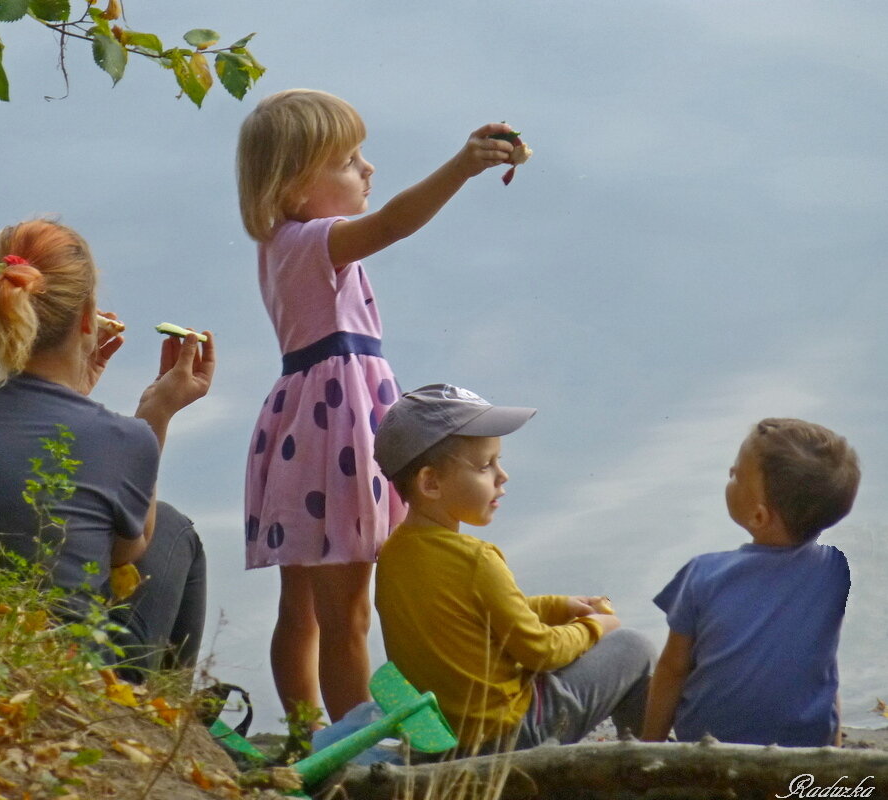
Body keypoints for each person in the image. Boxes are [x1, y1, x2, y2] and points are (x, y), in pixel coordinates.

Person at [236, 89, 520, 724]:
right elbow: (392, 222)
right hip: (334, 428)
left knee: (302, 606)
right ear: (292, 185)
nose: (367, 170)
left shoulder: (285, 246)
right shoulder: (313, 240)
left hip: (300, 427)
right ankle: (354, 744)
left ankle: (307, 731)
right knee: (348, 613)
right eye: (347, 160)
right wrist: (462, 166)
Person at [0, 218, 215, 681]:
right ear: (87, 318)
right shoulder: (123, 438)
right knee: (173, 528)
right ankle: (171, 720)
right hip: (59, 667)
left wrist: (73, 391)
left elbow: (16, 455)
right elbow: (127, 550)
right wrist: (155, 412)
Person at [373, 384, 656, 753]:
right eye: (485, 465)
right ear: (431, 482)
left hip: (444, 743)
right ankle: (653, 766)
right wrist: (593, 627)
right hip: (510, 737)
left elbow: (480, 619)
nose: (502, 476)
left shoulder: (393, 556)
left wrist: (559, 606)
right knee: (633, 647)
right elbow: (539, 651)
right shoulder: (477, 560)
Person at [643, 418, 860, 746]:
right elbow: (823, 664)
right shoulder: (835, 571)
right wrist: (835, 752)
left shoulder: (703, 574)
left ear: (759, 516)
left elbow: (673, 669)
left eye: (736, 475)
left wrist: (649, 748)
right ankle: (833, 750)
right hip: (805, 749)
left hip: (708, 745)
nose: (730, 474)